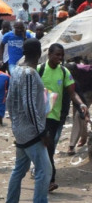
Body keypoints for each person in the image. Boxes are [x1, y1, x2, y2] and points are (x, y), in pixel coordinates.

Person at [2, 38, 55, 203]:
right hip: (31, 131)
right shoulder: (30, 73)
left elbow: (10, 100)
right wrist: (42, 131)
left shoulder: (16, 69)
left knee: (20, 168)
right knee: (44, 171)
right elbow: (30, 105)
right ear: (40, 53)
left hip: (19, 128)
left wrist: (14, 122)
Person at [38, 43, 87, 192]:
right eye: (57, 54)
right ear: (50, 54)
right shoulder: (39, 70)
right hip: (40, 116)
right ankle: (45, 177)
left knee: (49, 148)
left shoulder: (64, 72)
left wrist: (81, 105)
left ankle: (49, 180)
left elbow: (72, 93)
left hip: (55, 117)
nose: (60, 58)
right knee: (43, 147)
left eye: (62, 55)